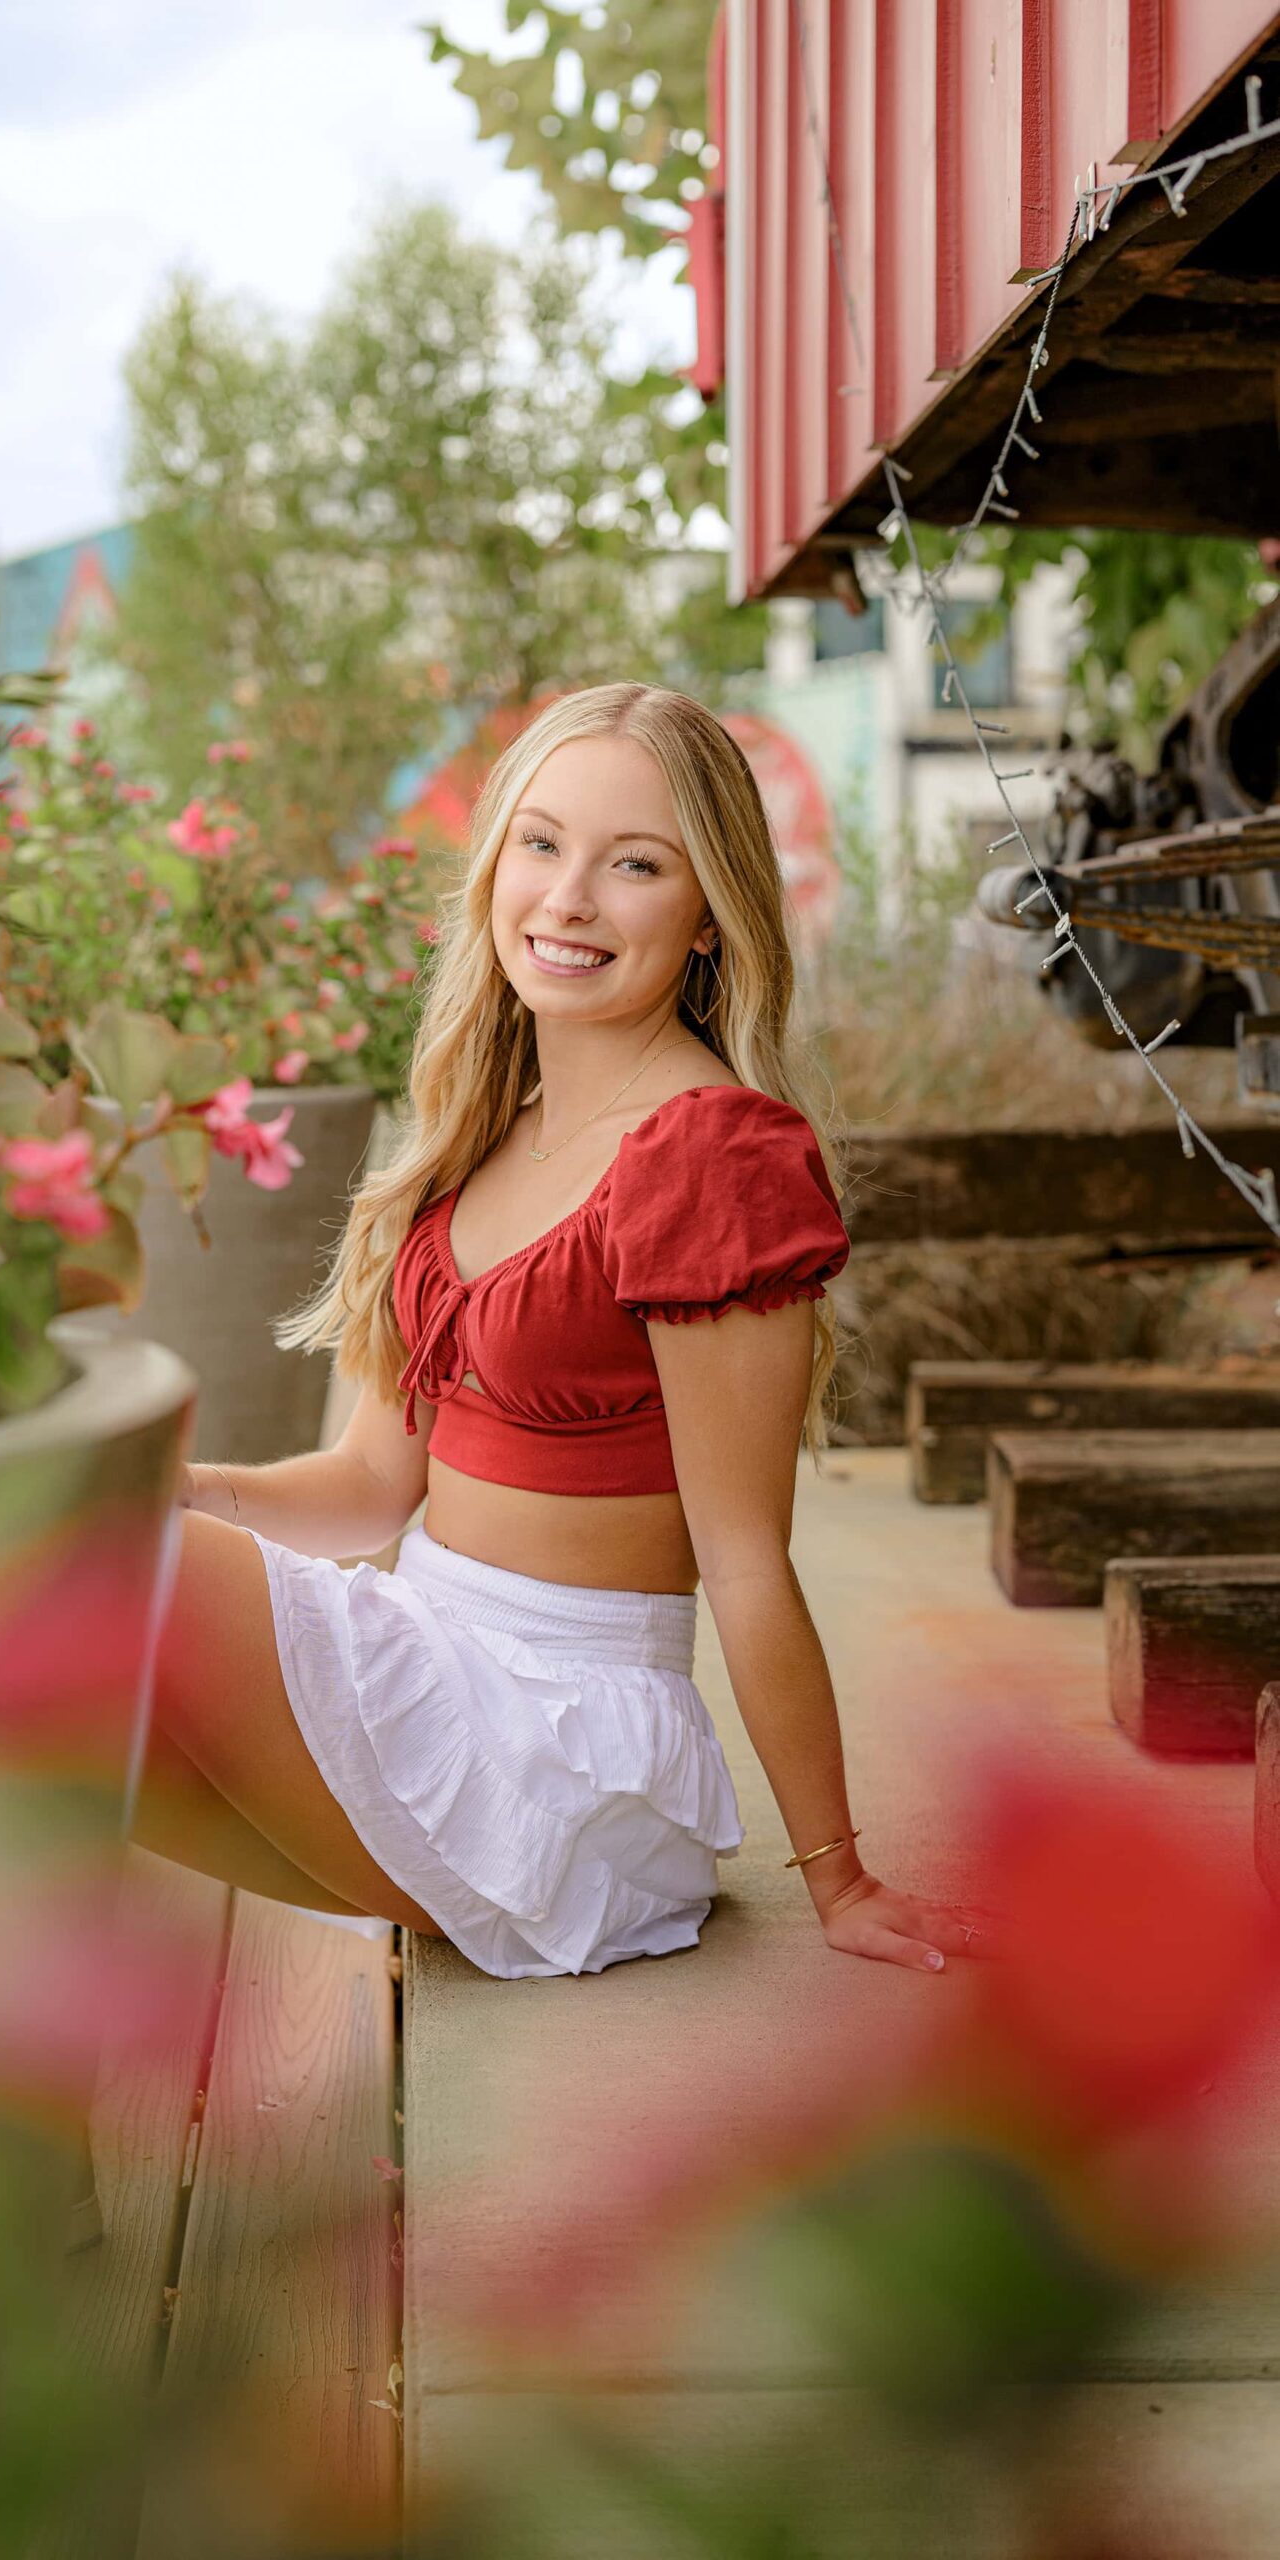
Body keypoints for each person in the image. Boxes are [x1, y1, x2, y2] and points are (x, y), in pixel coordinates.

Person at [135, 682, 990, 1979]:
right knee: (36, 1660)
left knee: (89, 1574)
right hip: (427, 1674)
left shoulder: (712, 1158)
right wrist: (179, 1492)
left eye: (633, 865)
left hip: (554, 1752)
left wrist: (840, 1876)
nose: (568, 898)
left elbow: (744, 1558)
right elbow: (372, 1484)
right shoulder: (479, 1139)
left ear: (710, 916)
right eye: (539, 844)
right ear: (492, 868)